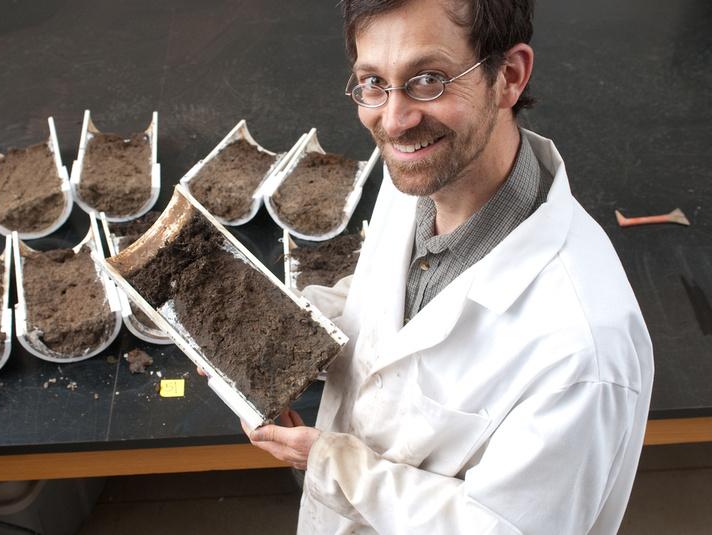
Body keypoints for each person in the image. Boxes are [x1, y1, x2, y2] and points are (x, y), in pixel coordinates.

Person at [244, 0, 654, 533]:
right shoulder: (419, 178)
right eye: (373, 82)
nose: (393, 121)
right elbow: (388, 306)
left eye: (429, 80)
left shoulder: (582, 350)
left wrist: (333, 465)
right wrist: (286, 331)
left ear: (508, 77)